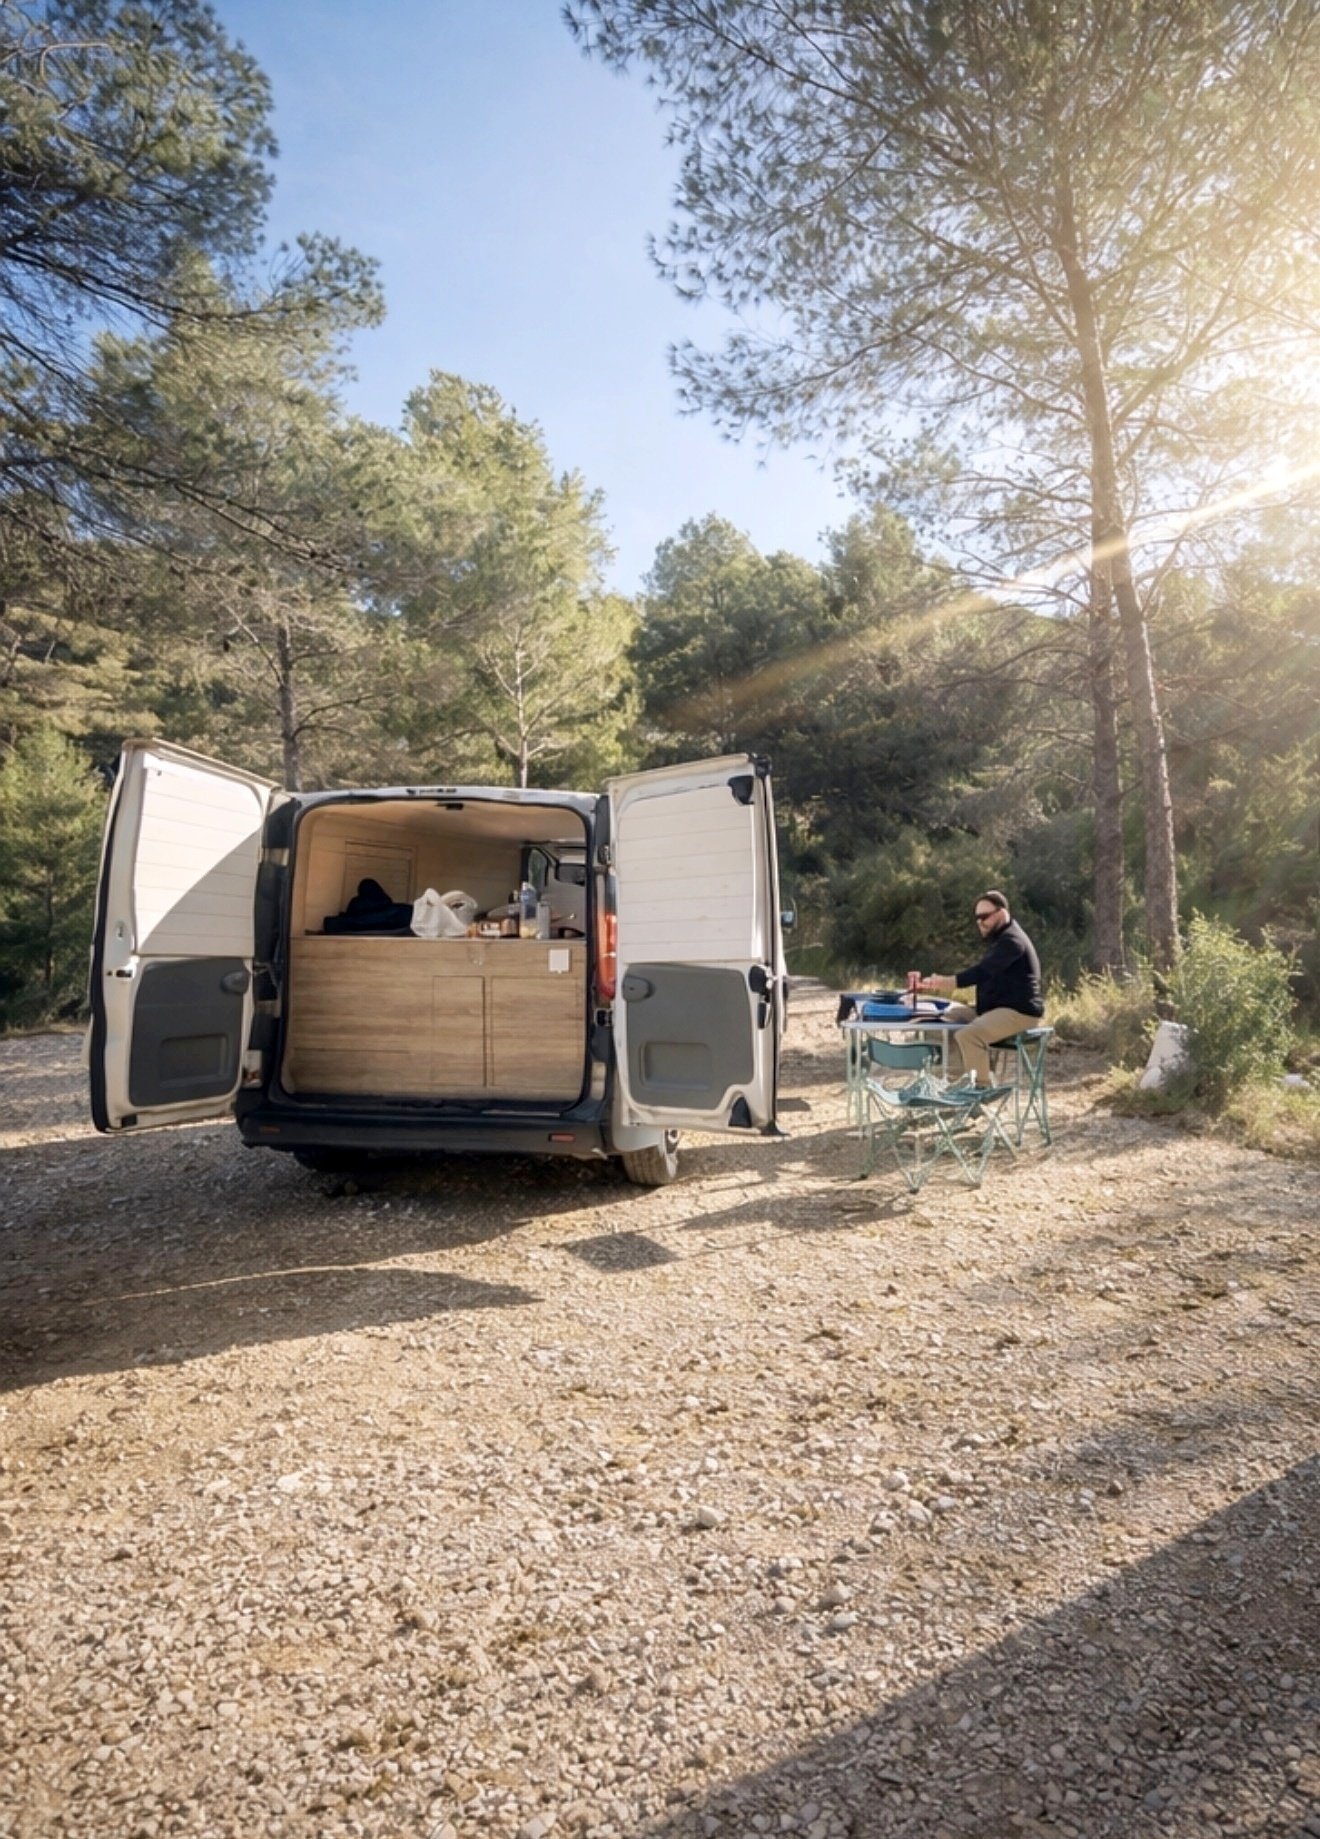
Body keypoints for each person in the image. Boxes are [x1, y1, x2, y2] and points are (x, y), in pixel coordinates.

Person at [917, 891, 1043, 1086]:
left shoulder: (1012, 940)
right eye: (977, 918)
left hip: (1019, 1014)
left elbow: (983, 971)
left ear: (1002, 913)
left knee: (970, 1035)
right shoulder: (1000, 940)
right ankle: (952, 1082)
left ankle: (981, 1090)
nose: (979, 922)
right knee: (940, 1021)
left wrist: (948, 982)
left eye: (984, 917)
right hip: (992, 1010)